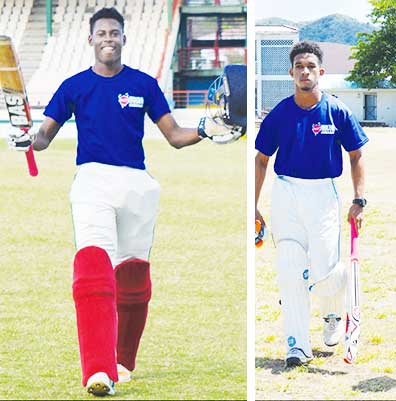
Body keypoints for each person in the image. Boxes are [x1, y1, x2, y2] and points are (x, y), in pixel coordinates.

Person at [5, 8, 242, 397]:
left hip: (138, 186)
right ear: (91, 40)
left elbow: (174, 135)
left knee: (133, 279)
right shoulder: (74, 86)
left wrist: (205, 129)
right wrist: (28, 139)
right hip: (92, 181)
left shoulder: (144, 84)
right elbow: (46, 134)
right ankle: (97, 370)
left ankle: (122, 362)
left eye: (115, 32)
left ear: (124, 39)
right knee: (94, 266)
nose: (109, 39)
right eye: (102, 33)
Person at [254, 40, 367, 367]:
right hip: (286, 193)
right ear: (291, 73)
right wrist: (253, 206)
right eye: (299, 67)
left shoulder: (337, 110)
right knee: (290, 271)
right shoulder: (280, 113)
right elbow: (261, 160)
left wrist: (359, 199)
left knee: (326, 272)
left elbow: (357, 155)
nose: (305, 72)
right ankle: (297, 346)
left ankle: (333, 310)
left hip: (323, 195)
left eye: (310, 66)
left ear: (321, 71)